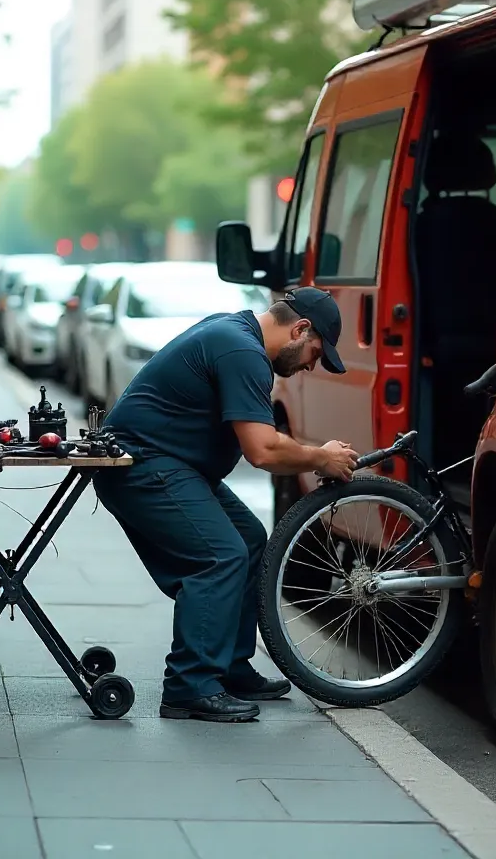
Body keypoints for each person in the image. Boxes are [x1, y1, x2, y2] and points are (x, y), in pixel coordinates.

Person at [94, 286, 359, 723]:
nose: (312, 365)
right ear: (300, 328)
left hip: (169, 464)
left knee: (250, 538)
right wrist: (320, 457)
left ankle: (231, 667)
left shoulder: (236, 332)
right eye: (316, 352)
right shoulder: (242, 352)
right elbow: (263, 451)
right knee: (219, 556)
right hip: (141, 466)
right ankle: (188, 686)